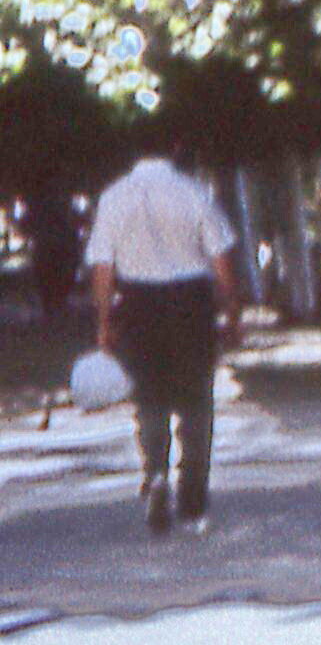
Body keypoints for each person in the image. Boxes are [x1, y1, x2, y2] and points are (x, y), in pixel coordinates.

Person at [85, 127, 244, 533]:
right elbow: (221, 260)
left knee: (149, 397)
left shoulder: (114, 197)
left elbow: (103, 267)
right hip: (191, 303)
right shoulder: (194, 192)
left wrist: (104, 321)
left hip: (138, 304)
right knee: (196, 401)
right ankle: (192, 498)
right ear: (175, 147)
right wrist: (231, 311)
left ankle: (155, 472)